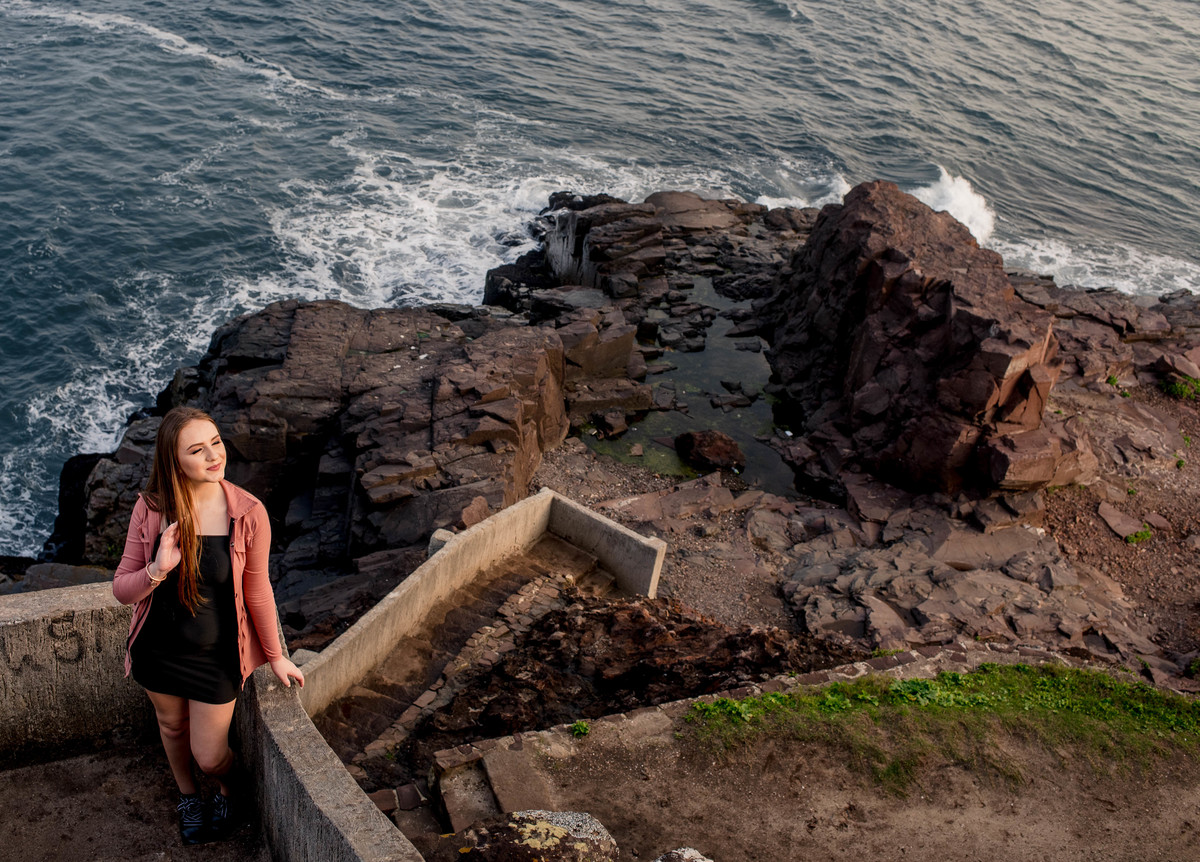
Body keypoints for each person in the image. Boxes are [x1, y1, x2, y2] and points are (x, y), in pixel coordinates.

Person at [112, 406, 304, 845]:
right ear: (174, 460)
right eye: (197, 450)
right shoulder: (151, 508)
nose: (214, 456)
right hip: (157, 651)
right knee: (171, 728)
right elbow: (122, 589)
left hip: (217, 659)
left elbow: (258, 590)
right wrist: (158, 569)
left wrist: (276, 656)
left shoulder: (248, 513)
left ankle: (226, 788)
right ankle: (188, 796)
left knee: (211, 756)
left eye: (216, 443)